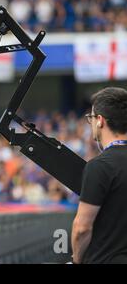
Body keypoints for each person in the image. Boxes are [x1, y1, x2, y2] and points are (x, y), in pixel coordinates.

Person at [72, 87, 127, 264]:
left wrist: (77, 260)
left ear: (100, 121)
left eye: (91, 117)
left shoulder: (100, 167)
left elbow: (82, 228)